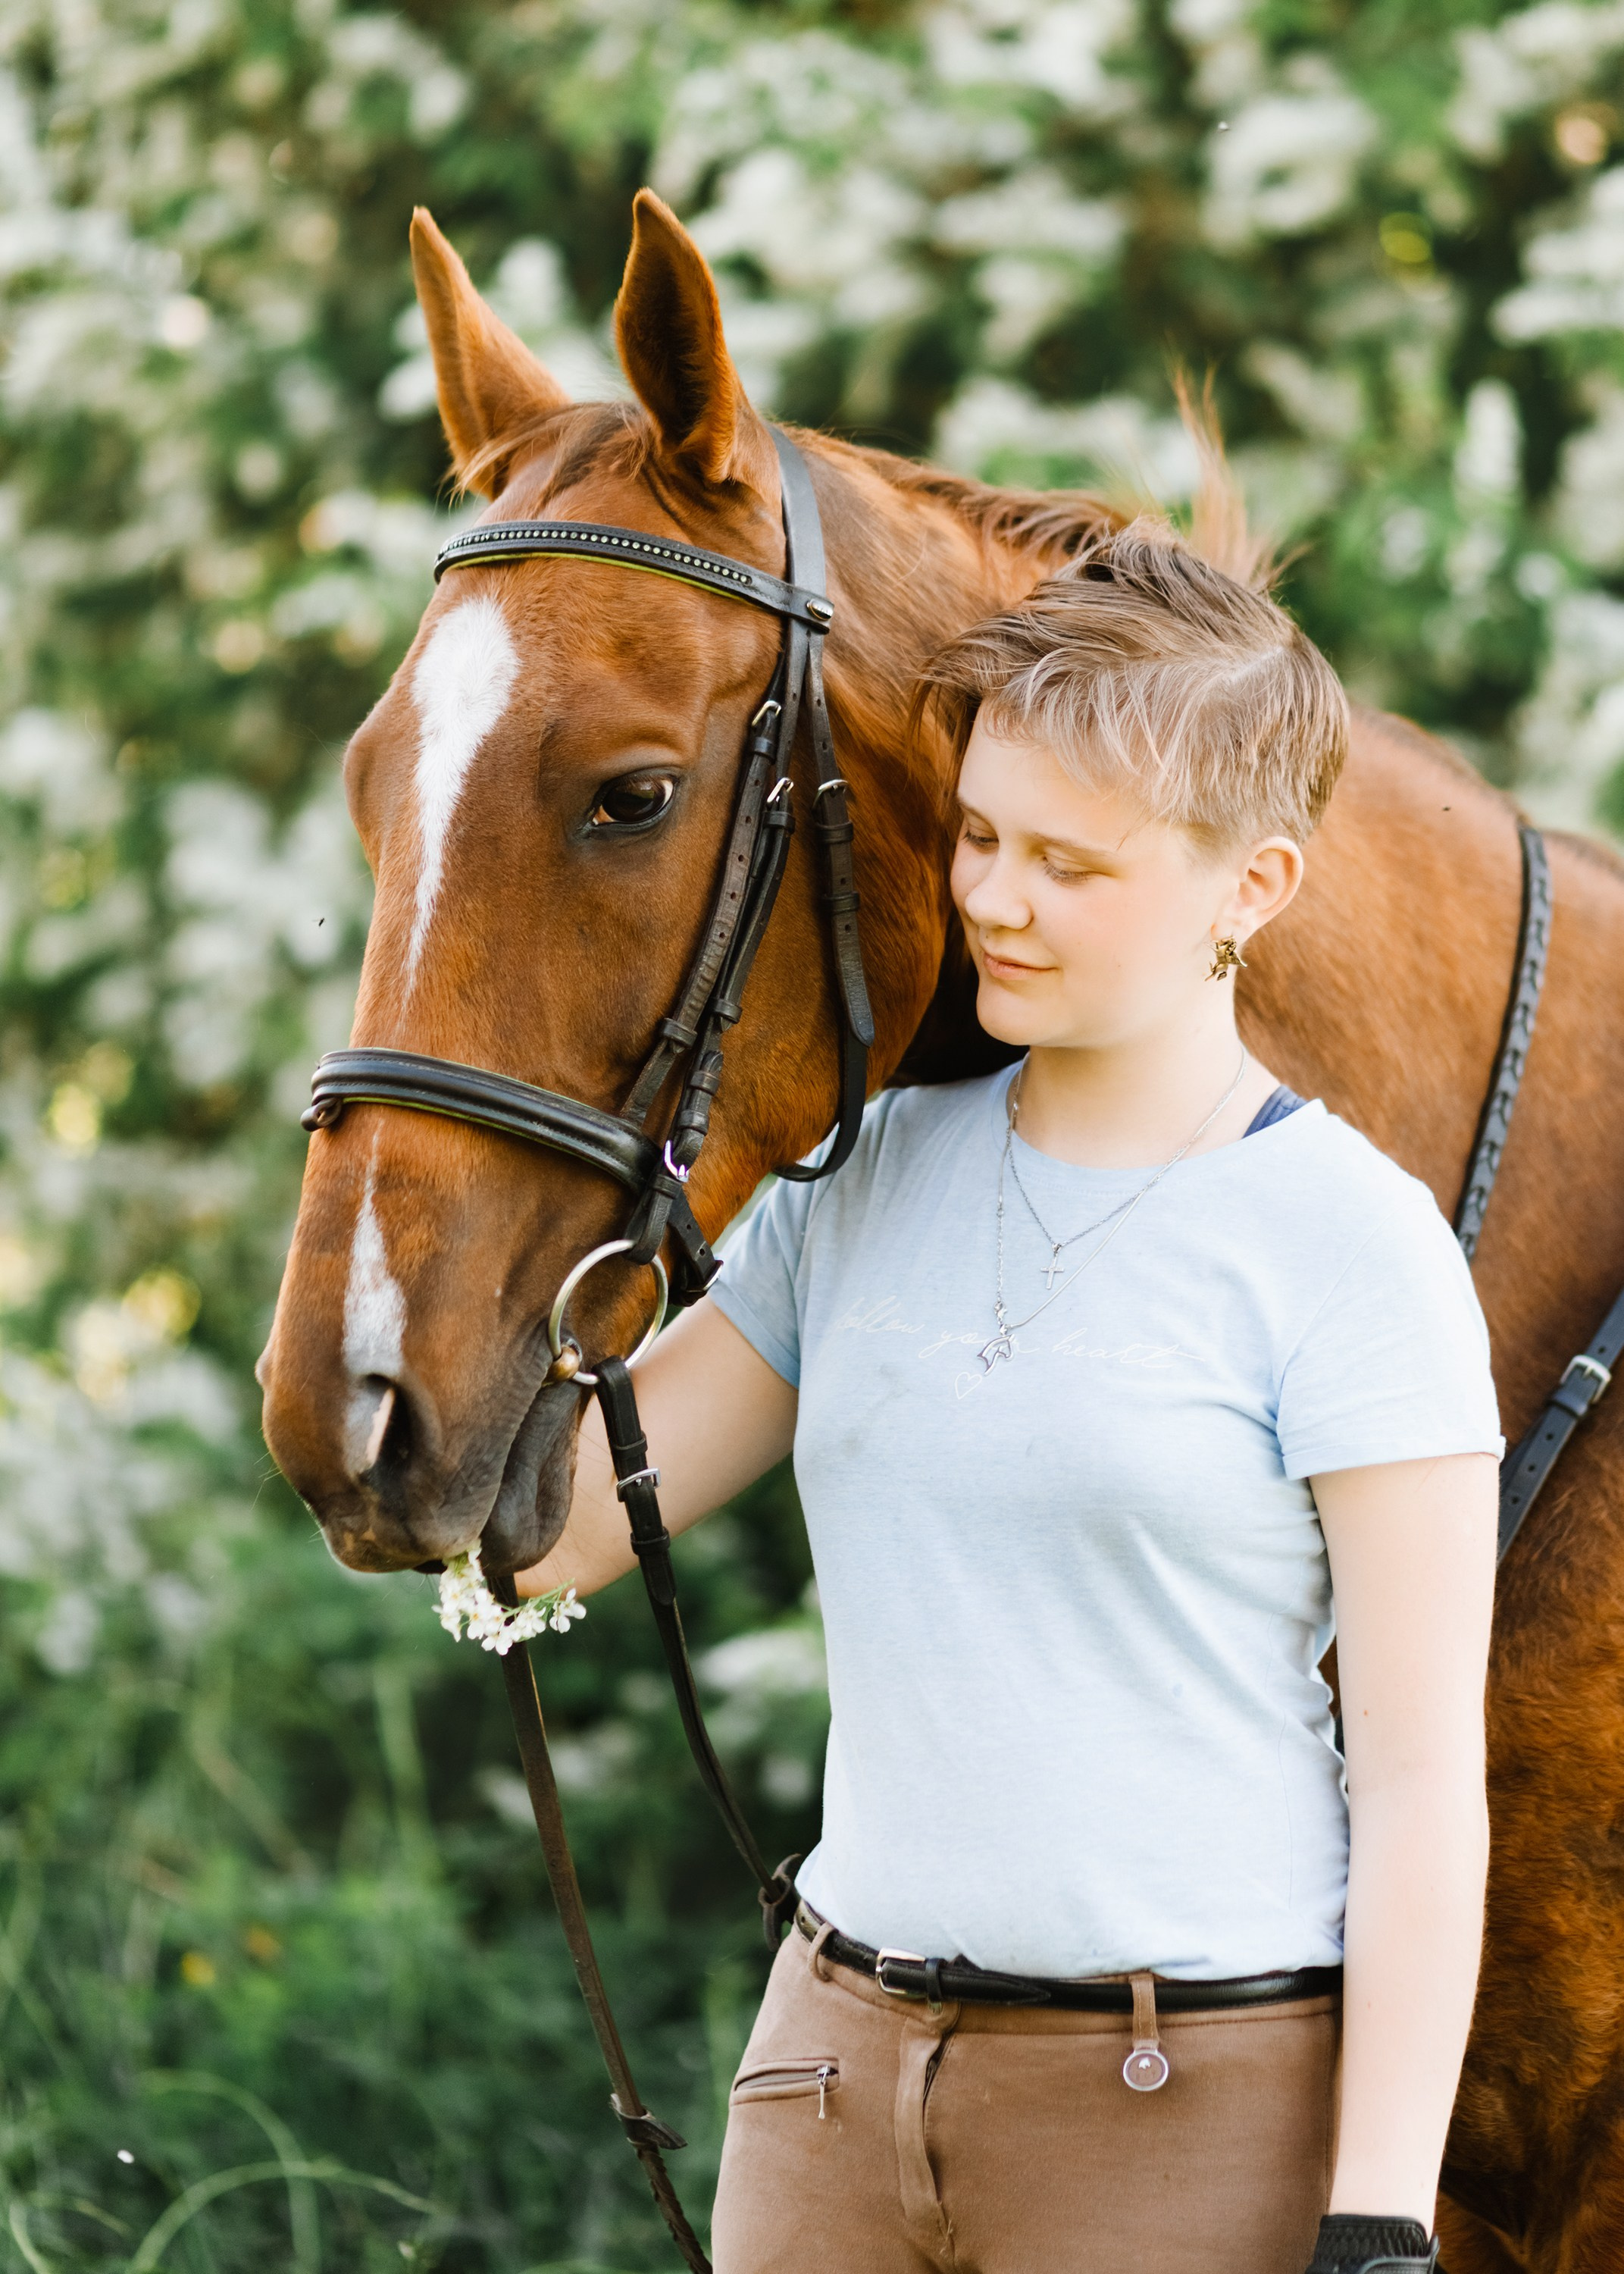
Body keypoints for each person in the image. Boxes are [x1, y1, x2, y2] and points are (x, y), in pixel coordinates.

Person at [518, 522, 1500, 2274]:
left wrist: (1378, 2216)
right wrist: (418, 1309)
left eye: (1069, 862)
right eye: (979, 833)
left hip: (1181, 2108)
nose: (991, 896)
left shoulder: (1350, 1247)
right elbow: (568, 1531)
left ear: (1251, 888)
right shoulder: (862, 1172)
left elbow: (1426, 1783)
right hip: (825, 2084)